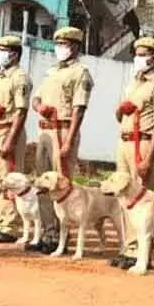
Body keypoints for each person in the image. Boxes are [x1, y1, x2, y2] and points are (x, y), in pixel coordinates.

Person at [109, 36, 154, 270]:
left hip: (143, 142)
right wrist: (120, 110)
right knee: (123, 196)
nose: (138, 58)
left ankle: (142, 251)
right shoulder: (133, 82)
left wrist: (148, 156)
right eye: (136, 53)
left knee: (141, 198)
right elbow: (121, 115)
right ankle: (129, 246)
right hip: (124, 141)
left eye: (143, 54)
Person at [30, 26, 94, 254]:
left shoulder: (81, 73)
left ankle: (63, 238)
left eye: (64, 44)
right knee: (43, 184)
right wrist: (40, 107)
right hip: (45, 130)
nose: (60, 48)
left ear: (75, 46)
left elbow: (79, 109)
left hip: (64, 129)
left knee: (61, 185)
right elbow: (35, 99)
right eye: (58, 44)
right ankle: (49, 233)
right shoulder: (52, 72)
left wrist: (68, 142)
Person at [0, 34, 32, 244]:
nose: (0, 54)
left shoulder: (19, 78)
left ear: (15, 54)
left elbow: (21, 111)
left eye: (5, 50)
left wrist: (11, 140)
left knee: (10, 177)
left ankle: (10, 225)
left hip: (10, 130)